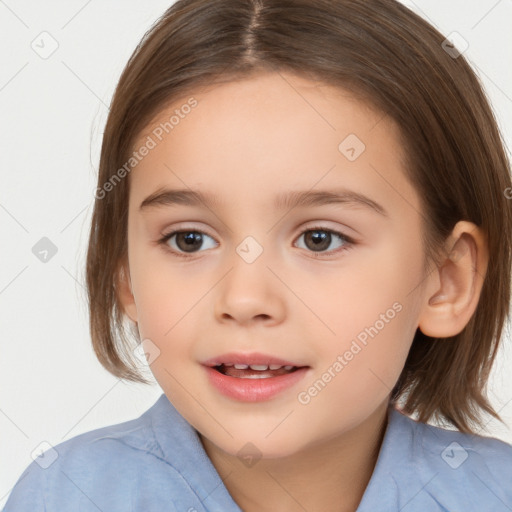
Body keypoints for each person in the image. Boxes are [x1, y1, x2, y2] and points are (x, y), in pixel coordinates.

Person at [4, 0, 512, 510]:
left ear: (447, 280)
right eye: (189, 239)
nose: (245, 299)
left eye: (320, 238)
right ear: (126, 276)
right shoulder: (64, 496)